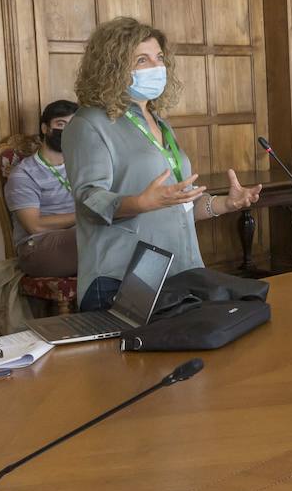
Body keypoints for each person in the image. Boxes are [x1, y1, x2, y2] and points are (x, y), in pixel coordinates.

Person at [65, 18, 261, 311]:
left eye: (159, 58)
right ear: (113, 67)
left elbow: (180, 205)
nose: (156, 67)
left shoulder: (159, 123)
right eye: (142, 59)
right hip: (123, 278)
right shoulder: (89, 123)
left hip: (181, 270)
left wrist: (225, 204)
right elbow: (90, 201)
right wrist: (141, 202)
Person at [5, 100, 78, 277]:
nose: (68, 131)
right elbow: (35, 226)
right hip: (37, 247)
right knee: (98, 238)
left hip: (77, 234)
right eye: (61, 124)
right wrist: (84, 216)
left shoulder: (80, 165)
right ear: (45, 128)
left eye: (73, 125)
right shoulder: (23, 174)